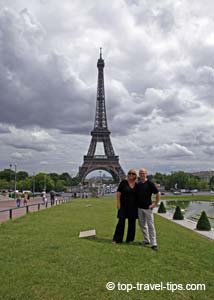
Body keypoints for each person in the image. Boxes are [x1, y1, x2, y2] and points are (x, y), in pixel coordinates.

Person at [137, 168, 160, 251]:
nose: (142, 174)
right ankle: (147, 240)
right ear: (139, 175)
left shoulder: (150, 184)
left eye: (143, 173)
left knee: (151, 226)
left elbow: (158, 193)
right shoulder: (138, 184)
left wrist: (155, 204)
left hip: (148, 208)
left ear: (146, 174)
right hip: (140, 208)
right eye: (140, 173)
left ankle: (154, 243)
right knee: (142, 225)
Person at [112, 169, 138, 244]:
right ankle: (117, 239)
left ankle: (130, 240)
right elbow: (118, 193)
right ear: (128, 174)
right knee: (121, 222)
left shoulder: (137, 185)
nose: (131, 175)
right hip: (123, 206)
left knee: (132, 223)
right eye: (130, 173)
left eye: (133, 174)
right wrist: (118, 203)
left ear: (135, 176)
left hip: (133, 207)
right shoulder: (123, 182)